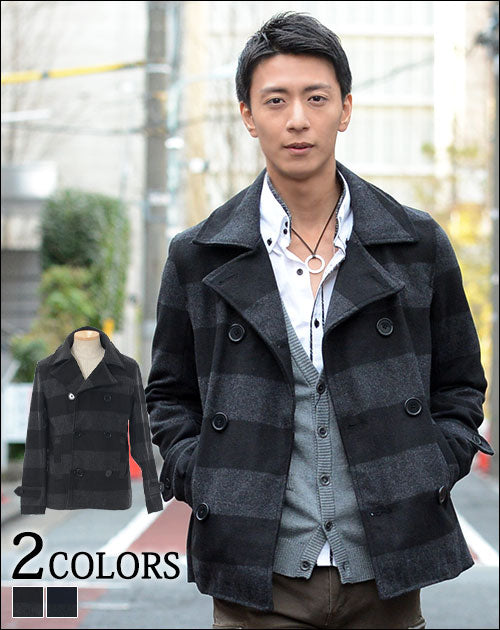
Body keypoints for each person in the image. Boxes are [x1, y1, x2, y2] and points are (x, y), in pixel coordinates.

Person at [145, 11, 494, 630]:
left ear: (345, 108)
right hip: (257, 577)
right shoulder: (199, 256)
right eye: (275, 100)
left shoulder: (415, 245)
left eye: (316, 97)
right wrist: (207, 480)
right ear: (248, 115)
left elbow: (461, 385)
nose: (297, 119)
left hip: (387, 570)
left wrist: (428, 471)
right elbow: (169, 395)